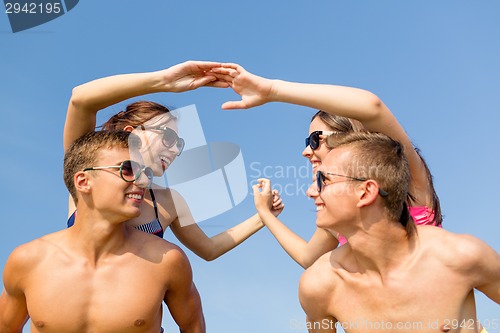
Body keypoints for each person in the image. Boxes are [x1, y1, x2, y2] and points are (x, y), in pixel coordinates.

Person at [259, 132, 499, 333]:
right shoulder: (319, 286)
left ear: (366, 192)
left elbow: (374, 108)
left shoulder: (460, 257)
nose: (311, 192)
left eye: (324, 181)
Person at [211, 63, 440, 268]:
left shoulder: (407, 179)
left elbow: (373, 107)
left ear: (349, 135)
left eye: (314, 140)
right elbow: (307, 258)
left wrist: (272, 90)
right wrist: (265, 213)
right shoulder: (339, 208)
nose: (305, 151)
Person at [64, 60, 283, 260]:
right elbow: (80, 99)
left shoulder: (169, 201)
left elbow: (209, 249)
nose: (175, 150)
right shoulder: (90, 168)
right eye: (168, 137)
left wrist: (263, 216)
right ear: (132, 133)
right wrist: (165, 80)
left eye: (179, 144)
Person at [0, 130, 205, 333]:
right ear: (83, 181)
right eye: (127, 169)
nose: (141, 181)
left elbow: (193, 326)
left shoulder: (167, 261)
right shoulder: (27, 261)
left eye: (145, 173)